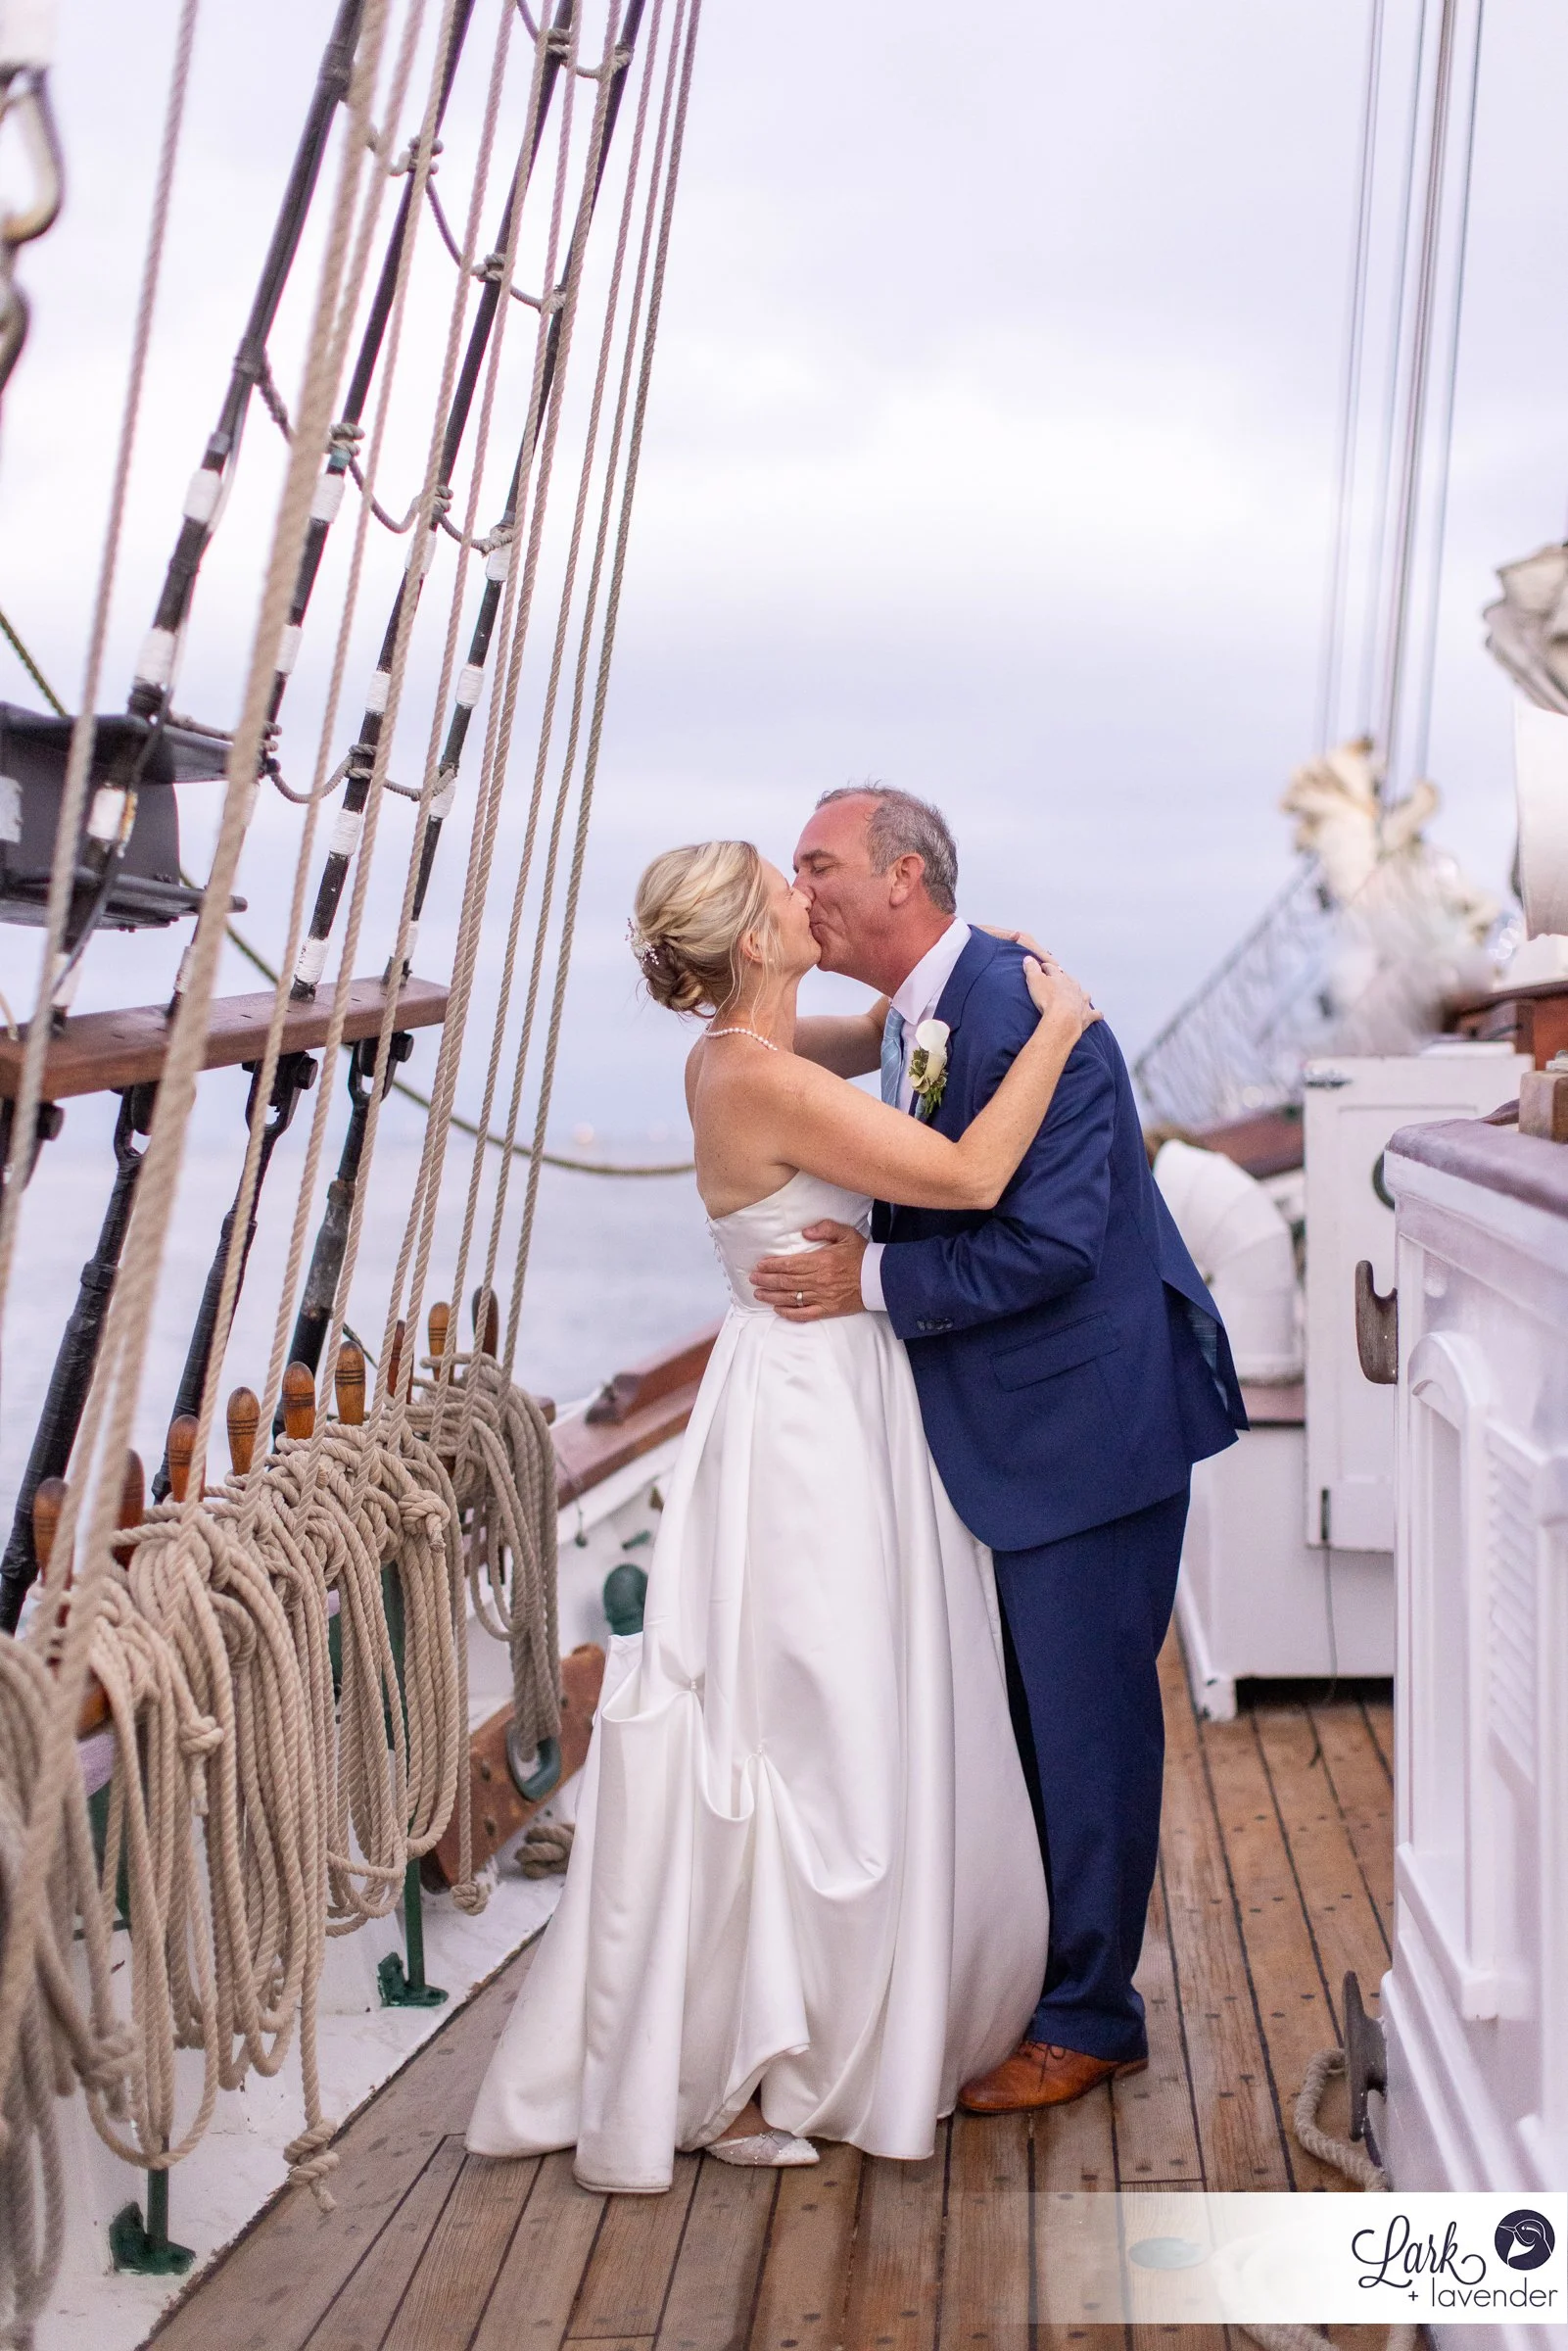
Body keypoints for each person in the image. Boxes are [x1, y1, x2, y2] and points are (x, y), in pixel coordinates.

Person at [467, 838, 1096, 2191]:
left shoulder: (744, 1049)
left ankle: (829, 2003)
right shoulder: (755, 1078)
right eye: (783, 885)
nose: (806, 896)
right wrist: (1059, 1029)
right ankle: (792, 2038)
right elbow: (974, 1174)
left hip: (816, 1390)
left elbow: (882, 1026)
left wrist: (938, 947)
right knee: (827, 1706)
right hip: (815, 1414)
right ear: (752, 942)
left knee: (821, 1698)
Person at [748, 787, 1246, 2111]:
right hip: (1005, 1424)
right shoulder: (930, 1010)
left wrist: (868, 1286)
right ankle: (1034, 1977)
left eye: (821, 865)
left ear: (905, 876)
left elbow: (1053, 1243)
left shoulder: (1020, 1011)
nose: (804, 889)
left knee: (1084, 1730)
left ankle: (1092, 2016)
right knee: (1021, 1721)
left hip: (1085, 1426)